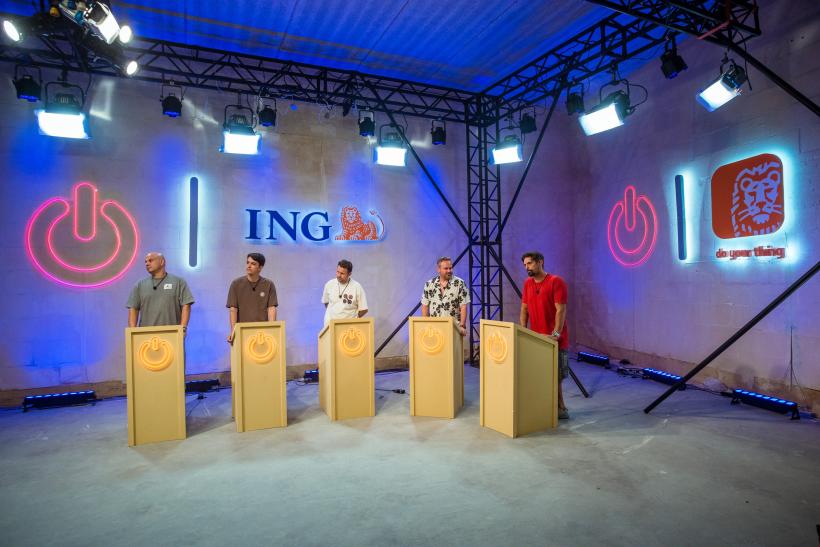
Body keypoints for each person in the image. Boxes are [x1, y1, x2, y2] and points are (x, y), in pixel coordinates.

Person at [519, 251, 570, 419]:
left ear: (540, 261)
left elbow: (561, 309)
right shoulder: (527, 283)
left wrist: (556, 333)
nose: (527, 267)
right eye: (525, 265)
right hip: (536, 339)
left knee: (557, 376)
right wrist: (522, 331)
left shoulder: (556, 281)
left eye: (530, 263)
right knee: (541, 375)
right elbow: (524, 309)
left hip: (555, 339)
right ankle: (552, 409)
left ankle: (560, 408)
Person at [126, 252, 194, 331]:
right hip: (146, 335)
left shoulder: (178, 282)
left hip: (172, 334)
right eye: (146, 262)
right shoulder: (140, 285)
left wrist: (183, 329)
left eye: (150, 260)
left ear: (162, 262)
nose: (147, 264)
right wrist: (132, 332)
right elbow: (133, 308)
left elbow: (186, 305)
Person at [226, 253, 278, 343]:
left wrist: (271, 330)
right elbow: (233, 309)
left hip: (262, 332)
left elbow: (271, 308)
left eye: (253, 264)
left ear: (260, 268)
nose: (249, 266)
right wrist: (233, 331)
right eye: (247, 262)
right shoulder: (236, 284)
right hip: (242, 331)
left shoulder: (268, 284)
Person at [420, 256, 469, 336]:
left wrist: (462, 326)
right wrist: (425, 325)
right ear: (438, 269)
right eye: (446, 268)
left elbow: (463, 306)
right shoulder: (429, 284)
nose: (449, 271)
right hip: (434, 329)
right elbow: (425, 305)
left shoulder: (460, 283)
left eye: (450, 268)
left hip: (453, 328)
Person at [321, 259, 368, 326]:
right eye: (338, 272)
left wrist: (352, 320)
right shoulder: (329, 284)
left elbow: (363, 309)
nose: (339, 275)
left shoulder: (357, 287)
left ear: (349, 274)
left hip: (349, 327)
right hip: (330, 325)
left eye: (342, 273)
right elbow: (326, 302)